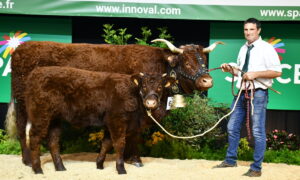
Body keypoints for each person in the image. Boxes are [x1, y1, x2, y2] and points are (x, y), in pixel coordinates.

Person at [215, 18, 282, 177]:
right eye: (246, 30)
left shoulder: (267, 48)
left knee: (258, 131)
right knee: (231, 127)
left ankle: (256, 168)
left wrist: (256, 74)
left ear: (258, 30)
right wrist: (230, 69)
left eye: (251, 29)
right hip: (241, 93)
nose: (248, 32)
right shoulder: (243, 48)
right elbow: (240, 72)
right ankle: (230, 160)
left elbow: (277, 72)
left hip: (258, 93)